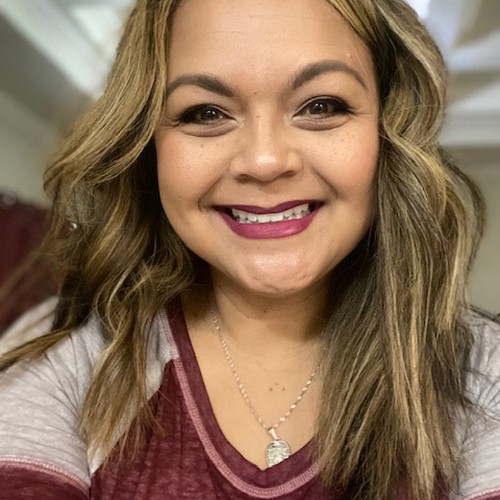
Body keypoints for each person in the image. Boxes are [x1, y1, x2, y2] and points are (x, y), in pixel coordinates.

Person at [0, 0, 499, 498]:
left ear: (389, 131)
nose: (264, 161)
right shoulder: (66, 358)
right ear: (147, 146)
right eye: (206, 113)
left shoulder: (483, 371)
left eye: (321, 106)